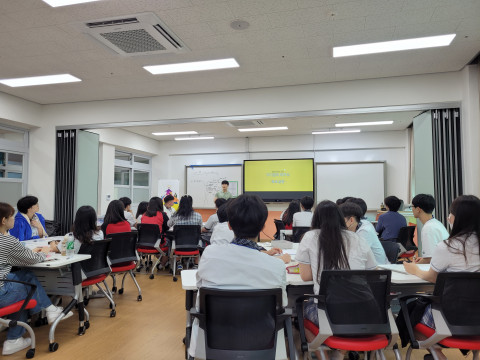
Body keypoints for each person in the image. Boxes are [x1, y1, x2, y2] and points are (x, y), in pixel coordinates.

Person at [190, 194, 290, 358]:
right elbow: (283, 305)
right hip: (261, 340)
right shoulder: (277, 266)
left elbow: (200, 288)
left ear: (229, 225)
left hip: (214, 338)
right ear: (262, 226)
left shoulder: (209, 254)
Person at [402, 195, 480, 360]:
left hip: (451, 315)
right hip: (477, 316)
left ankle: (437, 353)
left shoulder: (448, 246)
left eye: (451, 213)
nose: (448, 217)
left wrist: (414, 269)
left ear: (458, 218)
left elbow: (432, 277)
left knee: (410, 313)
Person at [296, 200, 376, 360]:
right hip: (367, 312)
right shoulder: (357, 238)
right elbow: (373, 273)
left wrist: (320, 270)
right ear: (341, 217)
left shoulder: (310, 237)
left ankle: (325, 355)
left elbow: (305, 276)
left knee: (300, 311)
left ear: (316, 218)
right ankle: (340, 351)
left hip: (330, 312)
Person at [0, 202, 73, 355]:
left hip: (4, 285)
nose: (14, 219)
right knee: (28, 288)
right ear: (3, 221)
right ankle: (14, 340)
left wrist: (30, 253)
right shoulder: (7, 241)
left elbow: (17, 256)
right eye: (11, 217)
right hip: (2, 293)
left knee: (24, 275)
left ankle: (50, 310)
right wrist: (46, 251)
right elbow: (32, 259)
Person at [411, 194, 449, 264]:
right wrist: (423, 259)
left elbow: (430, 260)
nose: (412, 209)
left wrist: (414, 264)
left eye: (412, 206)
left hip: (441, 271)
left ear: (418, 209)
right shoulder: (436, 223)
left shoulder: (428, 228)